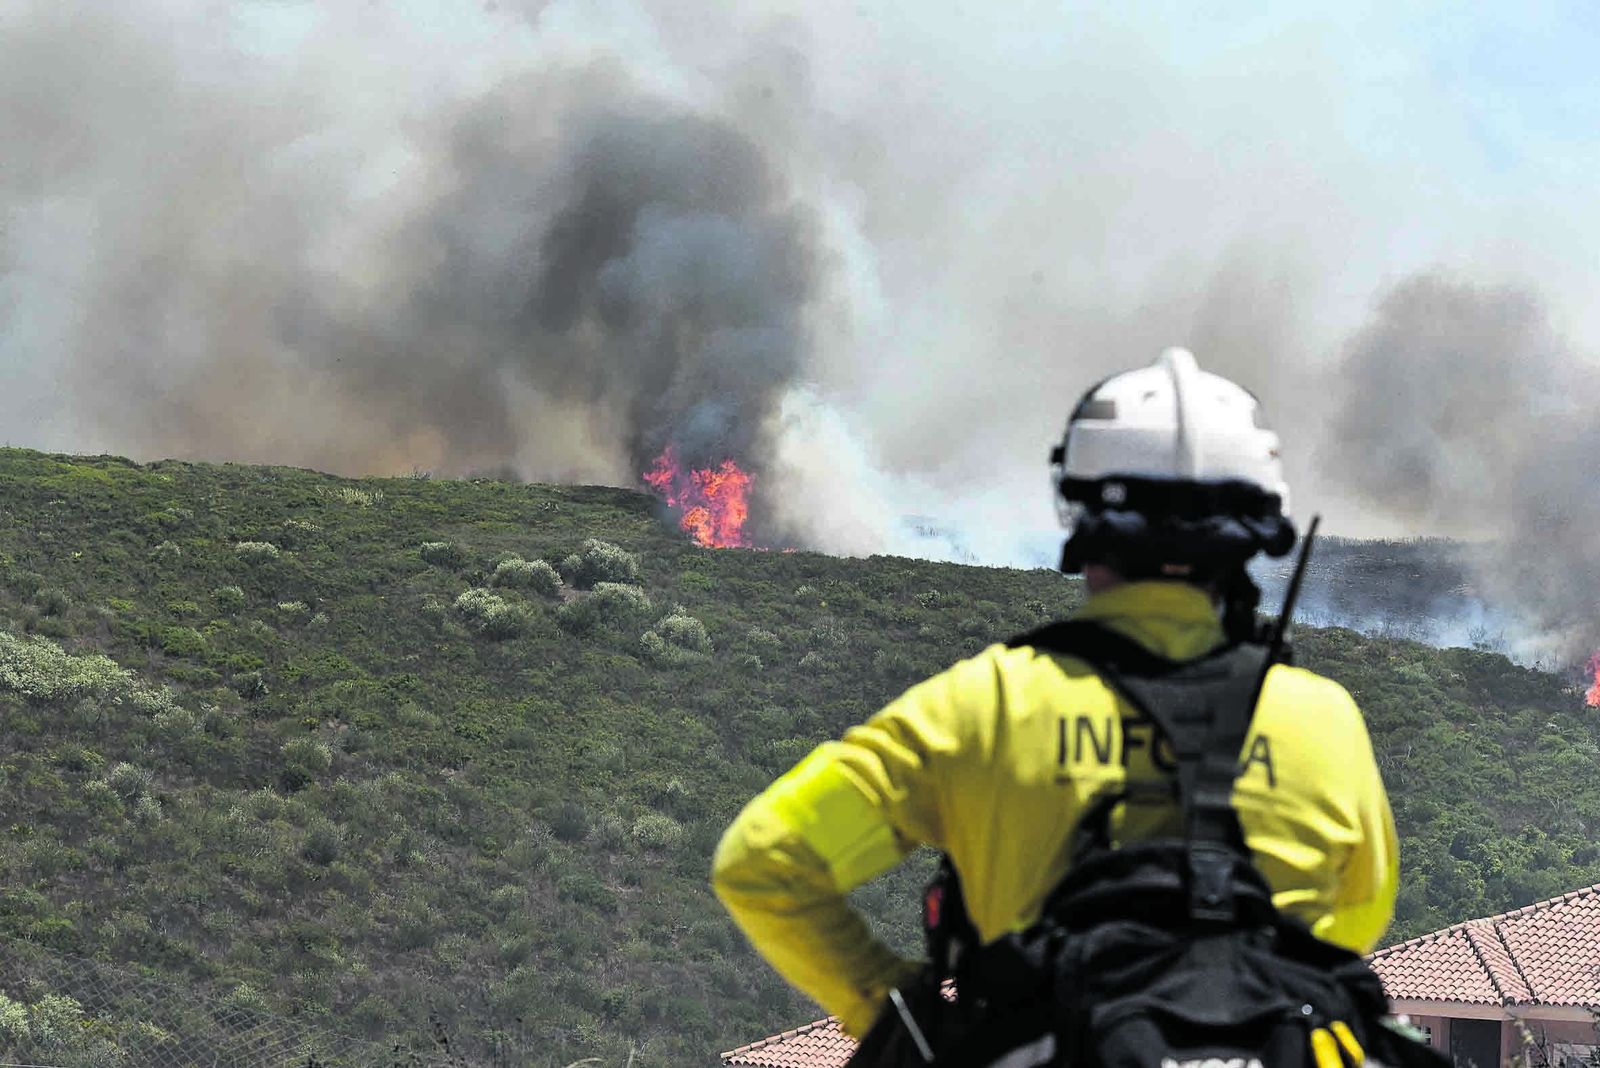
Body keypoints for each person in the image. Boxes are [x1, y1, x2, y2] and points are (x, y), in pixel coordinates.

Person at [710, 348, 1399, 1050]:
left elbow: (763, 859)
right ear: (1254, 528)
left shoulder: (986, 704)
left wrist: (902, 1021)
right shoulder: (1325, 719)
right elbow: (1360, 912)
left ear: (1080, 514)